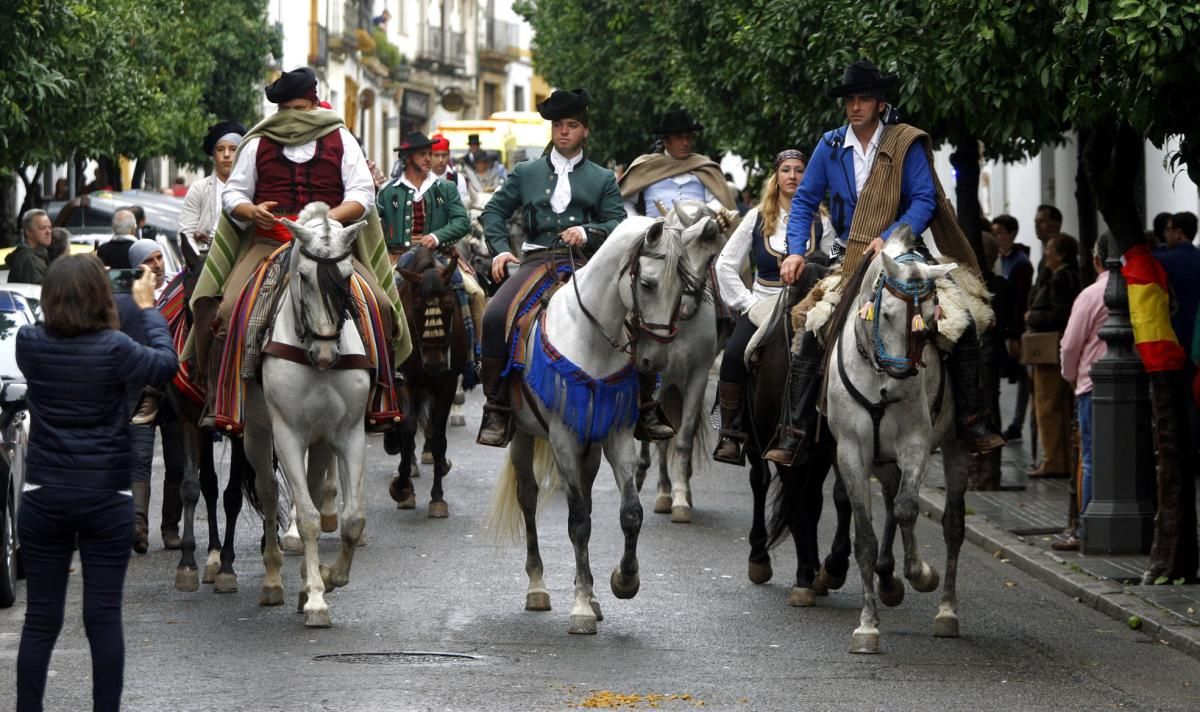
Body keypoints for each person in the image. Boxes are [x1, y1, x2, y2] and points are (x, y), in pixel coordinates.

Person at [763, 59, 1004, 465]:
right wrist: (795, 250)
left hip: (904, 251)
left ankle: (973, 421)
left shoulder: (903, 142)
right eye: (850, 99)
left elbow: (925, 200)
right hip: (849, 257)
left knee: (959, 319)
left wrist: (890, 236)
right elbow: (804, 201)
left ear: (879, 103)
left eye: (864, 99)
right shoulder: (831, 145)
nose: (855, 106)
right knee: (812, 326)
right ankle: (794, 430)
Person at [187, 66, 407, 433]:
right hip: (270, 241)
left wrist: (323, 221)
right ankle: (221, 398)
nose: (295, 120)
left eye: (300, 111)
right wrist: (251, 210)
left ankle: (382, 396)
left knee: (381, 306)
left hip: (327, 244)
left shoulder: (340, 138)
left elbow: (362, 195)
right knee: (225, 311)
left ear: (312, 104)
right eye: (289, 112)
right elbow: (234, 194)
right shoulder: (257, 142)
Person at [15, 254, 177, 712]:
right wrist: (147, 309)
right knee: (103, 618)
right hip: (106, 495)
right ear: (100, 297)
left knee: (40, 620)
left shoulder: (29, 343)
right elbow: (166, 364)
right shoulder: (115, 347)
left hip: (44, 494)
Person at [475, 88, 672, 446]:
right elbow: (494, 212)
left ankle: (646, 405)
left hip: (587, 264)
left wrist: (587, 231)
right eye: (558, 125)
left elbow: (618, 223)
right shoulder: (525, 172)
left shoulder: (602, 178)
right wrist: (501, 250)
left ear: (585, 131)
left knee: (637, 315)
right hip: (535, 260)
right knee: (493, 315)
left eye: (572, 125)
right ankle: (496, 407)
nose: (563, 131)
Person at [711, 149, 808, 464]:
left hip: (806, 305)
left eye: (799, 171)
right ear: (776, 178)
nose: (792, 176)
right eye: (786, 170)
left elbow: (835, 255)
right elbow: (725, 263)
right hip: (762, 302)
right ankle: (730, 433)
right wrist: (747, 302)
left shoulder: (821, 220)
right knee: (735, 355)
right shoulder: (756, 217)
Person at [1054, 234, 1114, 550]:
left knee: (1090, 459)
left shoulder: (1090, 295)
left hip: (1091, 384)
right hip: (1136, 386)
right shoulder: (1138, 290)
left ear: (1096, 260)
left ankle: (1086, 528)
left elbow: (1070, 345)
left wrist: (1070, 377)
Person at [1025, 233, 1081, 478]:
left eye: (1049, 248)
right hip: (1059, 346)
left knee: (1046, 405)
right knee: (1060, 406)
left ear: (1060, 254)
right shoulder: (1064, 275)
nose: (1045, 252)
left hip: (1049, 348)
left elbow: (1058, 314)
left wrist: (1032, 318)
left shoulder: (1061, 278)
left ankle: (1053, 460)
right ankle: (1063, 459)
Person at [618, 108, 737, 218]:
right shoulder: (646, 167)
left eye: (689, 137)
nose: (685, 143)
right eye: (679, 137)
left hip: (698, 234)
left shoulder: (705, 167)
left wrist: (707, 214)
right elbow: (625, 201)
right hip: (654, 234)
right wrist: (638, 224)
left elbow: (717, 200)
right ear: (666, 141)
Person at [992, 214, 1034, 441]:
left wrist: (1015, 333)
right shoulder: (999, 259)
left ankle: (1017, 422)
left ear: (1011, 234)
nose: (996, 237)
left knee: (1021, 376)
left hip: (1013, 328)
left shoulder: (1021, 263)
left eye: (999, 232)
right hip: (1001, 328)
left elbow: (1020, 300)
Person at [178, 120, 247, 255]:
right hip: (203, 261)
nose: (226, 154)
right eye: (220, 149)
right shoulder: (199, 189)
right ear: (214, 155)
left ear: (242, 154)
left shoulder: (254, 188)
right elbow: (186, 234)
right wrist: (197, 262)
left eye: (233, 149)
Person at [5, 209, 53, 284]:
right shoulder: (29, 260)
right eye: (42, 228)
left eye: (50, 228)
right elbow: (42, 292)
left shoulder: (37, 256)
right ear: (28, 232)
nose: (48, 232)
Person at [431, 132, 472, 207]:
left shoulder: (458, 178)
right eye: (436, 155)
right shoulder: (422, 178)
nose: (440, 160)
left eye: (444, 155)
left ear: (449, 155)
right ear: (430, 155)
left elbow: (463, 206)